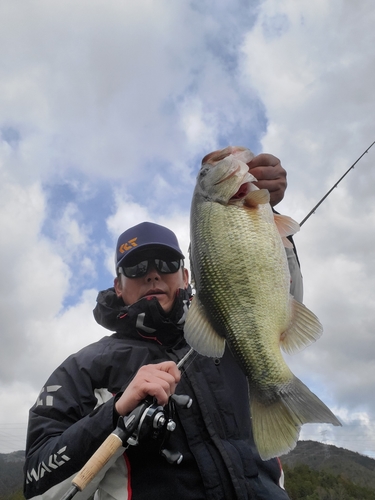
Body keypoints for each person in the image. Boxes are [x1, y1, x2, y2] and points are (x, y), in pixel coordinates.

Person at [24, 153, 301, 500]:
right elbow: (37, 481)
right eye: (137, 267)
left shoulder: (229, 331)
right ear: (118, 286)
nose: (153, 274)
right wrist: (115, 413)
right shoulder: (83, 369)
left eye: (166, 263)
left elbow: (278, 298)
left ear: (186, 276)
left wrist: (265, 213)